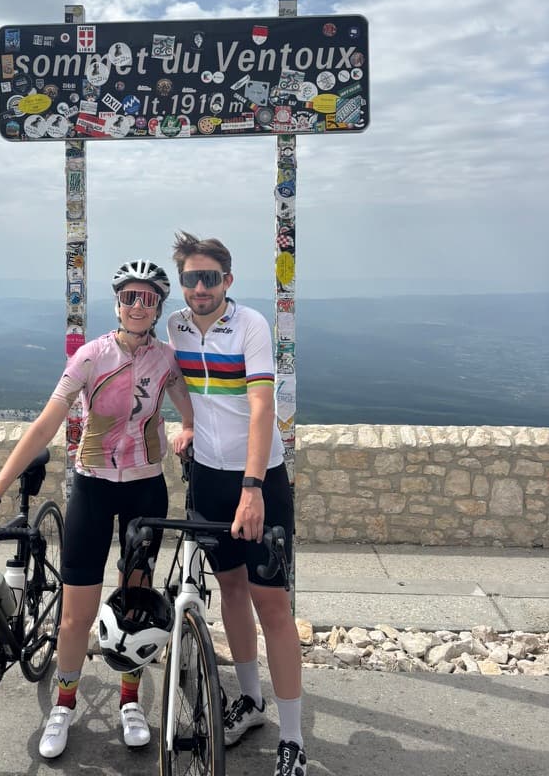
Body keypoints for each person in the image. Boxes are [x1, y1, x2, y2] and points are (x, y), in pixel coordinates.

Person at [0, 259, 194, 759]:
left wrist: (189, 428)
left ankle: (131, 700)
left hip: (145, 490)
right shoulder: (91, 357)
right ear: (117, 302)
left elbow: (189, 404)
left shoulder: (167, 359)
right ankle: (63, 705)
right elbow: (46, 424)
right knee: (75, 616)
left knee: (135, 606)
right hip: (92, 488)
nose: (138, 305)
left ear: (158, 306)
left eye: (148, 297)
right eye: (130, 296)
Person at [167, 233, 307, 776]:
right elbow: (176, 381)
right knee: (229, 588)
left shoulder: (250, 324)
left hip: (259, 481)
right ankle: (250, 701)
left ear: (228, 280)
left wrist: (253, 489)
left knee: (272, 604)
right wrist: (184, 423)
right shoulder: (175, 325)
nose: (200, 288)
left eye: (210, 278)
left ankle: (292, 738)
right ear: (182, 284)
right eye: (190, 279)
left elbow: (260, 404)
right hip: (206, 478)